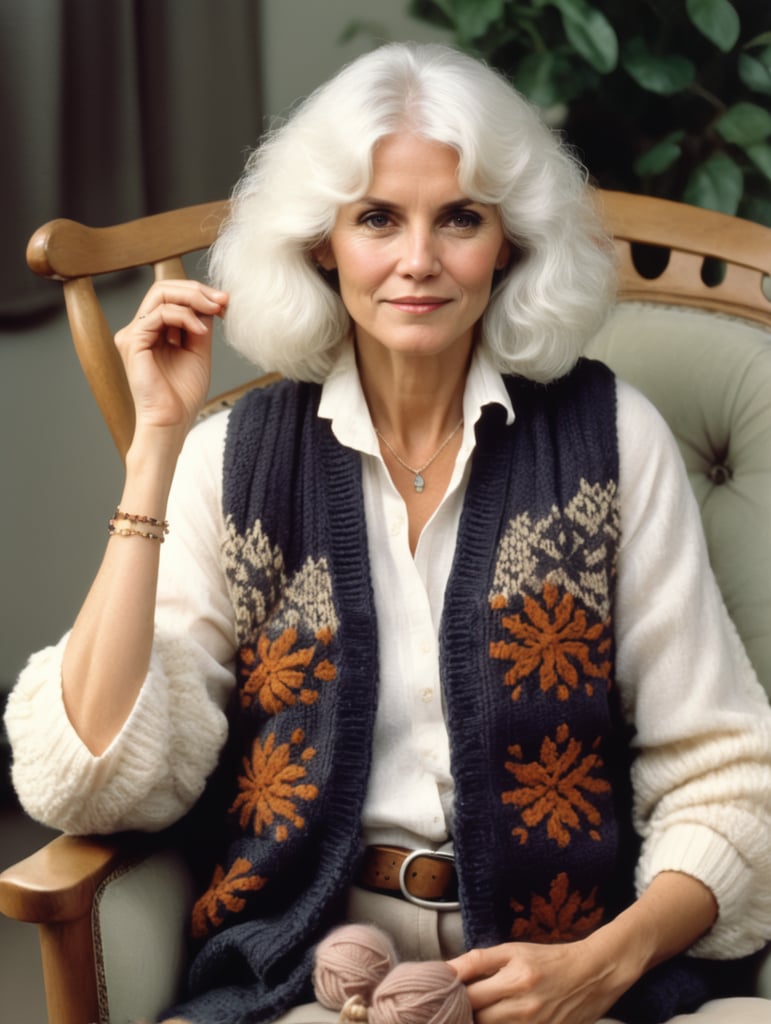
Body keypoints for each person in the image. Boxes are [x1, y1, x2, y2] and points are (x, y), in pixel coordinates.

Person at [5, 42, 771, 1024]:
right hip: (314, 974)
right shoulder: (228, 459)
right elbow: (100, 779)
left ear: (510, 240)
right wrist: (156, 442)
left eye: (459, 217)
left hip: (576, 972)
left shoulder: (610, 436)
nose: (419, 260)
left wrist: (603, 964)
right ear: (323, 242)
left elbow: (727, 776)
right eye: (377, 218)